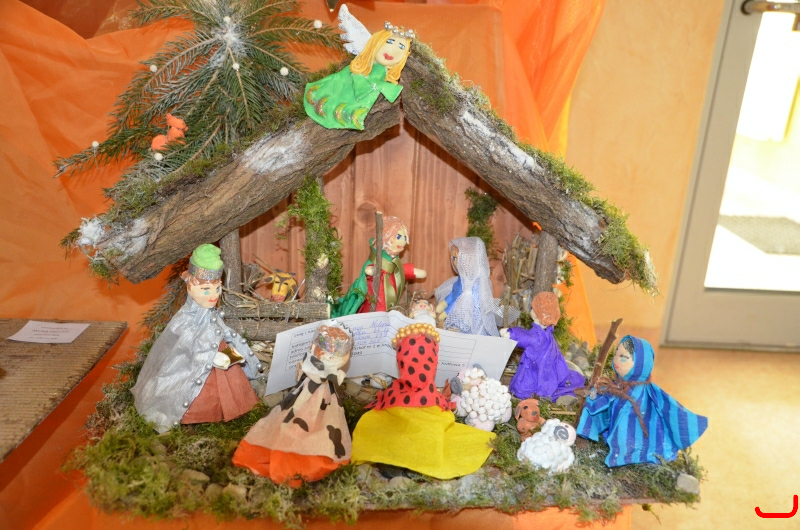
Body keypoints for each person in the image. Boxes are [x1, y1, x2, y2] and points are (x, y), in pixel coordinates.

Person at [131, 244, 260, 433]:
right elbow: (183, 346)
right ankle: (197, 415)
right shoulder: (185, 319)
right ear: (189, 284)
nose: (213, 296)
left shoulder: (211, 314)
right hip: (191, 365)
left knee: (231, 383)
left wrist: (235, 351)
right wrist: (210, 357)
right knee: (198, 393)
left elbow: (223, 330)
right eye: (206, 289)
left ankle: (233, 407)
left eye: (217, 288)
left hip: (218, 353)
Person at [351, 321, 495, 479]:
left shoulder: (397, 389)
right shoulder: (429, 391)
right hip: (427, 425)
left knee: (378, 431)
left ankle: (400, 461)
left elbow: (384, 399)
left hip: (404, 424)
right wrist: (446, 402)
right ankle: (411, 461)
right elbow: (442, 403)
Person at [233, 322, 354, 487]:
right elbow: (327, 374)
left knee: (318, 420)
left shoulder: (315, 363)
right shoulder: (322, 369)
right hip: (313, 396)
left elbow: (309, 373)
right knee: (304, 419)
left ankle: (306, 449)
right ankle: (300, 454)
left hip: (318, 396)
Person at [577, 335, 708, 467]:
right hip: (613, 426)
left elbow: (664, 407)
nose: (616, 359)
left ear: (640, 364)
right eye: (616, 354)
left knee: (630, 428)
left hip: (637, 438)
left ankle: (627, 452)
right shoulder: (617, 385)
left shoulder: (641, 394)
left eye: (623, 357)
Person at [304, 22, 414, 130]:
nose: (393, 50)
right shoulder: (360, 67)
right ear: (376, 42)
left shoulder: (383, 72)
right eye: (390, 41)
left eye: (401, 47)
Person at [333, 216, 425, 316]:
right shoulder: (376, 261)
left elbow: (399, 270)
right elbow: (368, 270)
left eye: (405, 238)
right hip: (371, 308)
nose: (402, 241)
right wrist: (372, 270)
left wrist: (413, 271)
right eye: (398, 237)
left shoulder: (395, 265)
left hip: (389, 310)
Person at [502, 292, 585, 400]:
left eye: (533, 309)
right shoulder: (547, 334)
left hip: (535, 371)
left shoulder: (539, 336)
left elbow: (528, 339)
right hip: (543, 368)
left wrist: (511, 333)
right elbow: (528, 336)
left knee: (523, 387)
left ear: (536, 314)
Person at [435, 237, 506, 336]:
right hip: (458, 312)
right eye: (453, 258)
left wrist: (445, 313)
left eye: (456, 258)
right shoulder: (460, 280)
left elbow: (459, 304)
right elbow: (452, 295)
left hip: (469, 316)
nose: (454, 262)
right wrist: (442, 305)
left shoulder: (473, 285)